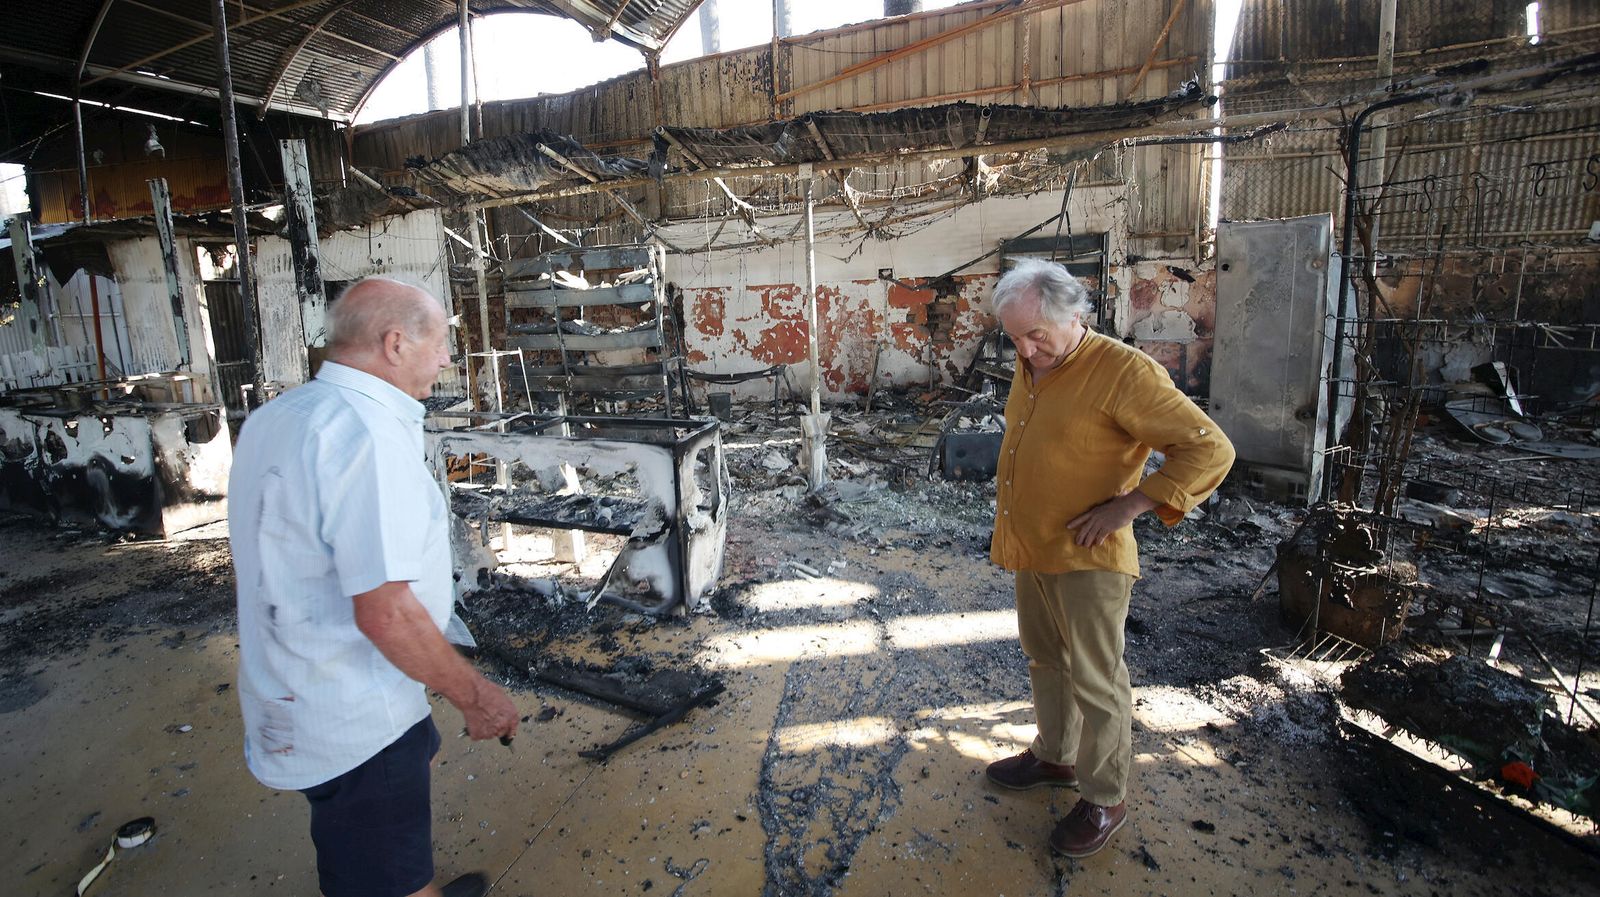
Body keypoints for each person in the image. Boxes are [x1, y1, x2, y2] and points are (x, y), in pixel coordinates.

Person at [229, 276, 518, 897]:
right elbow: (386, 614)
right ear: (394, 344)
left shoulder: (277, 418)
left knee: (410, 765)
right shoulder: (365, 438)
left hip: (292, 681)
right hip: (353, 713)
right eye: (439, 345)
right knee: (381, 871)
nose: (446, 360)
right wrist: (475, 697)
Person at [983, 258, 1235, 858]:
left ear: (1076, 315)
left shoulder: (1124, 373)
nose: (1024, 349)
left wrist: (1129, 507)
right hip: (1036, 543)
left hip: (1090, 556)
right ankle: (1055, 756)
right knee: (1047, 659)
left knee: (1098, 679)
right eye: (1014, 336)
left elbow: (1208, 450)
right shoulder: (1033, 361)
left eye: (1036, 335)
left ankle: (1105, 798)